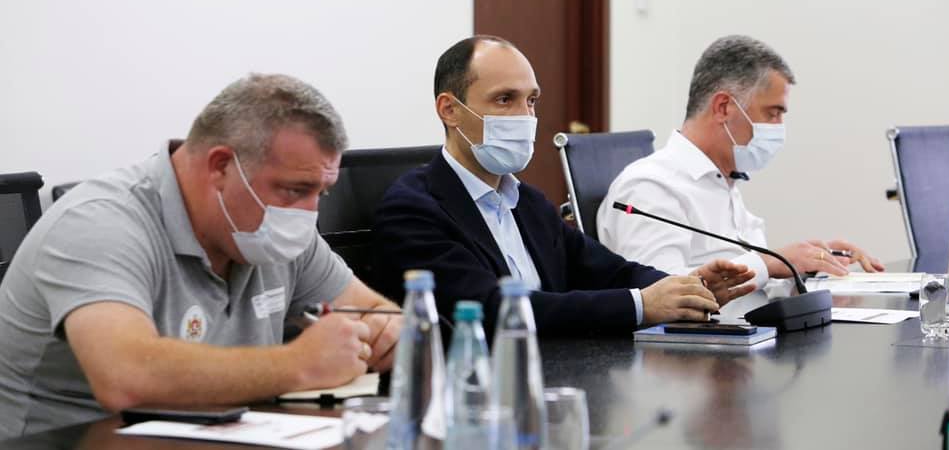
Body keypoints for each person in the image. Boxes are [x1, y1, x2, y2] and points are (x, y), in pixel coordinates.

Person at [0, 74, 401, 439]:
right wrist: (300, 363)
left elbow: (373, 313)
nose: (308, 212)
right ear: (220, 166)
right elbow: (126, 376)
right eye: (295, 190)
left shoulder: (277, 231)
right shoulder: (98, 224)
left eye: (321, 192)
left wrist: (391, 335)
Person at [372, 36, 757, 339]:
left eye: (531, 101)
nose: (525, 116)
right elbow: (492, 309)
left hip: (558, 375)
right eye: (505, 99)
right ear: (449, 109)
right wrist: (640, 304)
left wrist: (687, 288)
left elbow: (610, 272)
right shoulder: (414, 209)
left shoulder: (528, 203)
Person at [597, 35, 883, 289]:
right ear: (723, 107)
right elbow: (662, 295)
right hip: (703, 336)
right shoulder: (651, 187)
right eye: (772, 113)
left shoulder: (723, 181)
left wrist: (805, 264)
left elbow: (754, 286)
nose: (779, 127)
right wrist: (769, 264)